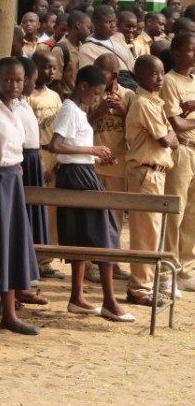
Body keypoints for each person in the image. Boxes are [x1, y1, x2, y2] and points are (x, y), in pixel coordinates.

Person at [49, 64, 136, 322]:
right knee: (104, 235)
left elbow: (71, 147)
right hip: (77, 176)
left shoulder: (77, 110)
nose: (97, 99)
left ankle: (77, 297)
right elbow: (56, 145)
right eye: (96, 93)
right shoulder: (69, 109)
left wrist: (95, 156)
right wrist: (92, 150)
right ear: (83, 86)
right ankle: (109, 301)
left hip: (80, 171)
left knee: (81, 236)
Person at [0, 57, 42, 332]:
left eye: (19, 80)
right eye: (7, 80)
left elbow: (16, 145)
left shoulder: (18, 108)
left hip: (13, 178)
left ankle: (9, 313)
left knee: (11, 244)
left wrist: (17, 164)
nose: (13, 85)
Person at [125, 55, 178, 306]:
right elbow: (167, 140)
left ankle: (144, 284)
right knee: (146, 232)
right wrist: (171, 133)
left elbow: (170, 135)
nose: (159, 78)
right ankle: (140, 288)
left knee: (152, 231)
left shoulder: (155, 102)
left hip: (155, 171)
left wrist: (170, 133)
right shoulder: (143, 103)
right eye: (153, 73)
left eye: (161, 73)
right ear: (139, 76)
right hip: (146, 172)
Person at [82, 54, 135, 283]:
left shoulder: (129, 95)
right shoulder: (93, 94)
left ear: (114, 75)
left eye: (101, 72)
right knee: (92, 215)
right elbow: (81, 124)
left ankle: (112, 262)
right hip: (94, 165)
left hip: (118, 165)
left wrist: (123, 111)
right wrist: (99, 110)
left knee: (114, 218)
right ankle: (91, 264)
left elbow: (137, 126)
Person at [160, 34, 195, 293]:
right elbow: (176, 123)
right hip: (181, 151)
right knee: (176, 212)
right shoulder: (169, 81)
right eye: (191, 50)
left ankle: (186, 270)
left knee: (193, 214)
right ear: (177, 53)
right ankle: (167, 271)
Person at [27, 51, 64, 279]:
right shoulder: (28, 97)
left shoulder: (55, 96)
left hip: (53, 153)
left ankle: (46, 259)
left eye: (53, 68)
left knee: (51, 210)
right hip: (37, 154)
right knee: (36, 207)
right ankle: (33, 257)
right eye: (46, 67)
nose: (50, 72)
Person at [16, 57, 50, 304]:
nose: (34, 85)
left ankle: (27, 277)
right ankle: (20, 283)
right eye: (33, 80)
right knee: (22, 220)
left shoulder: (24, 104)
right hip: (22, 161)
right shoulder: (12, 107)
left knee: (31, 220)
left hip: (33, 159)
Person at [78, 6, 134, 74]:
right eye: (108, 22)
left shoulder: (118, 40)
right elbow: (91, 75)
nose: (113, 25)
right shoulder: (87, 49)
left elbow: (132, 64)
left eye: (114, 21)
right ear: (95, 22)